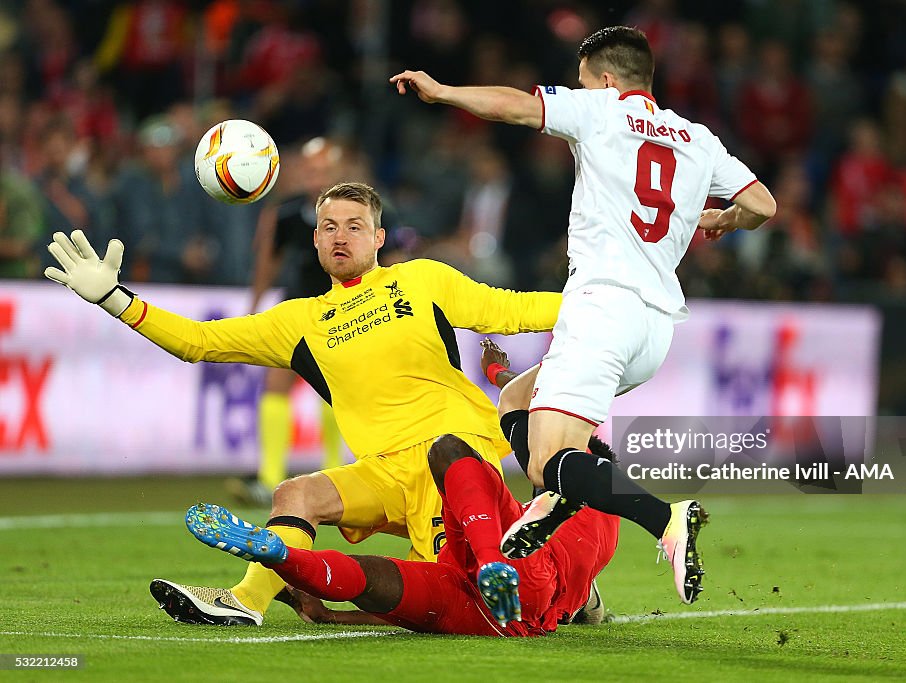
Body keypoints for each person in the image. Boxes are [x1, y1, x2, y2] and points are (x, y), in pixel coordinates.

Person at [43, 181, 560, 626]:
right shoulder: (299, 321)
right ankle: (243, 602)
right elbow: (197, 341)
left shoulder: (422, 279)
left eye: (356, 225)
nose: (341, 235)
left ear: (379, 238)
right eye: (329, 226)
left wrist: (608, 305)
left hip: (450, 462)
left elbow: (511, 310)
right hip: (381, 470)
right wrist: (115, 298)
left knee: (462, 598)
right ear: (314, 240)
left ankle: (567, 585)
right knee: (296, 494)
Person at [391, 25, 777, 603]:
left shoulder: (602, 110)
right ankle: (560, 497)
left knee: (549, 461)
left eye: (581, 80)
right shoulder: (698, 139)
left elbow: (516, 107)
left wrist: (444, 91)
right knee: (516, 400)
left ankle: (662, 519)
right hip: (654, 329)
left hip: (602, 308)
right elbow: (763, 205)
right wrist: (724, 221)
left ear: (604, 79)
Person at [183, 429, 619, 636]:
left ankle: (281, 554)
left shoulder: (582, 496)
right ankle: (282, 557)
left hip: (504, 566)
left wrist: (499, 374)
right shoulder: (597, 538)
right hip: (493, 614)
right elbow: (412, 620)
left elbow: (529, 424)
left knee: (449, 452)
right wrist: (332, 616)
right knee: (372, 578)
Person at [227, 138, 384, 507]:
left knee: (334, 390)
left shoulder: (364, 212)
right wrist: (254, 305)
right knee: (276, 382)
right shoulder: (284, 214)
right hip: (296, 308)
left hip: (345, 308)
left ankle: (333, 469)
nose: (317, 177)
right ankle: (269, 476)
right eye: (311, 170)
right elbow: (267, 262)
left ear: (338, 172)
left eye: (324, 170)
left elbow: (386, 263)